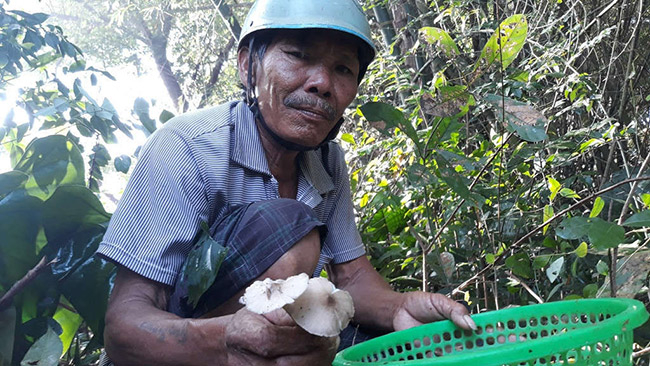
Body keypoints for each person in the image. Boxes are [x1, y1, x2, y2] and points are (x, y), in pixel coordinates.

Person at [97, 0, 477, 365]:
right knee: (287, 226)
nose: (322, 84)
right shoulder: (186, 147)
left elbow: (352, 276)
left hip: (277, 339)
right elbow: (123, 329)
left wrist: (399, 306)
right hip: (188, 354)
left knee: (377, 348)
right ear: (248, 65)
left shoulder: (328, 160)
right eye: (298, 55)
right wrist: (227, 343)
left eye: (343, 69)